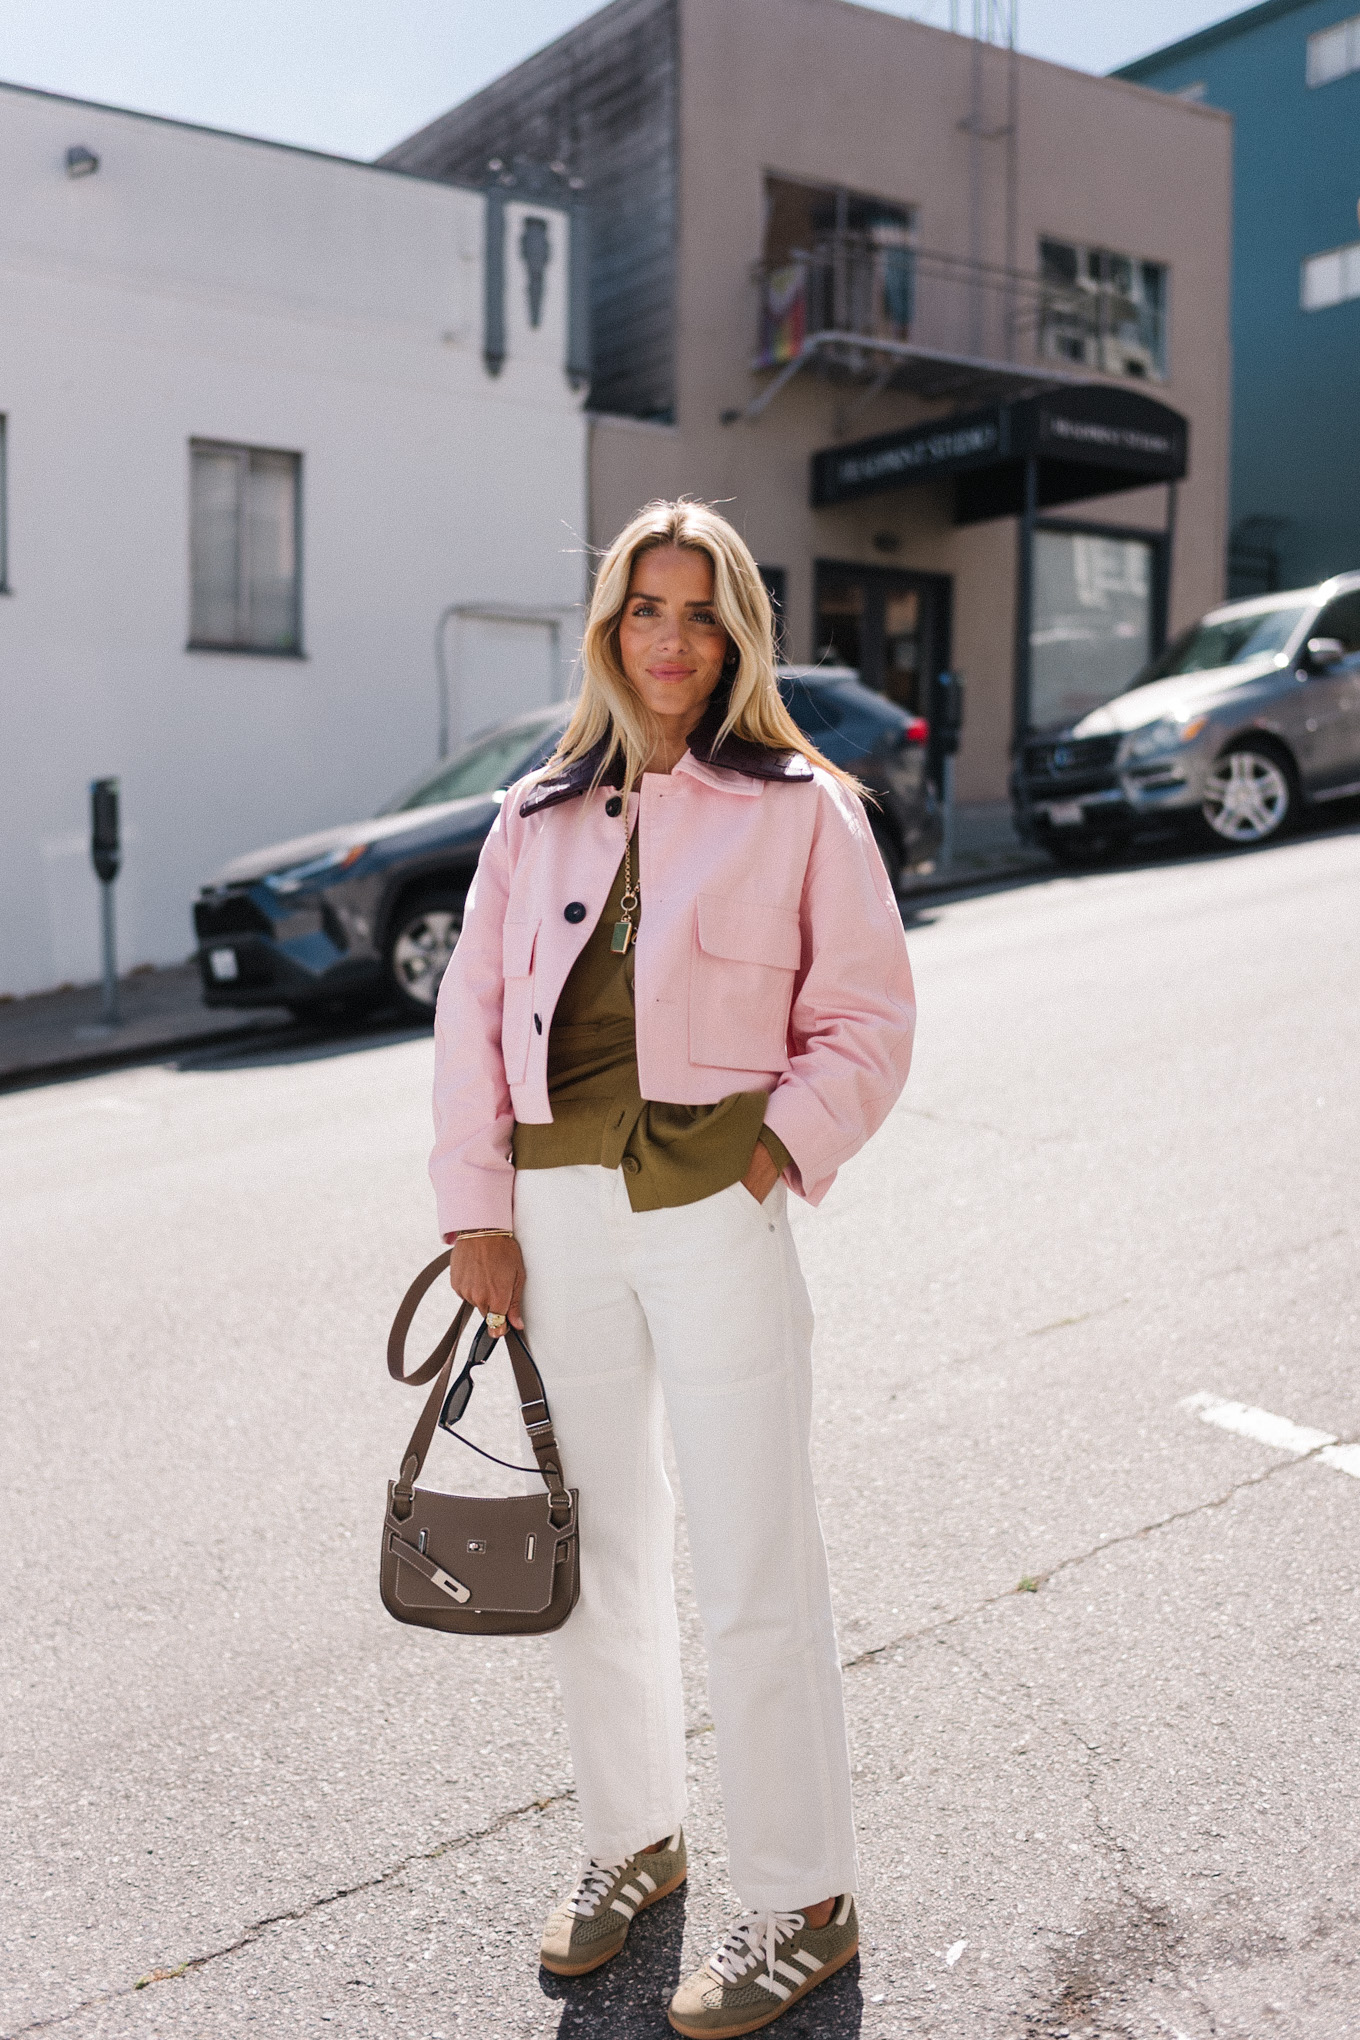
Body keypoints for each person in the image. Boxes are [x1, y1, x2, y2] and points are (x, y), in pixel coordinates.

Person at [429, 499, 915, 2035]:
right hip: (557, 1215)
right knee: (603, 1557)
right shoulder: (533, 816)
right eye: (646, 609)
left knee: (756, 1556)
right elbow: (464, 1028)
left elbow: (870, 1023)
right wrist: (477, 1216)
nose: (671, 640)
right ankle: (629, 1841)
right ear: (609, 630)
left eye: (700, 614)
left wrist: (772, 1152)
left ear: (737, 637)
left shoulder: (803, 808)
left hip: (716, 1202)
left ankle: (804, 1900)